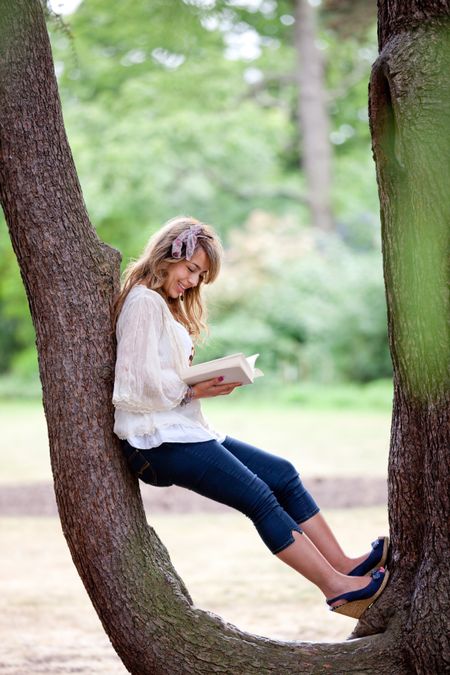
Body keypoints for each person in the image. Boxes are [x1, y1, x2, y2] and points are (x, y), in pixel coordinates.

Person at [112, 215, 389, 619]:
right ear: (167, 255)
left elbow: (160, 377)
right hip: (154, 440)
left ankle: (345, 566)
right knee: (258, 496)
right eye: (191, 269)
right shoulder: (142, 302)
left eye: (200, 276)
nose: (192, 281)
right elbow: (133, 386)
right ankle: (337, 589)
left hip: (182, 428)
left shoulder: (163, 307)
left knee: (282, 475)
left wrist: (202, 384)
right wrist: (193, 387)